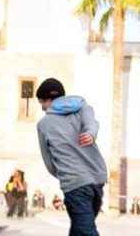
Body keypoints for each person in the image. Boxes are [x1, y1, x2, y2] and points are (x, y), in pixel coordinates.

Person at [36, 78, 108, 235]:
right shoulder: (82, 108)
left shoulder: (43, 124)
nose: (42, 108)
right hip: (97, 178)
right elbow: (93, 124)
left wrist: (66, 175)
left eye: (42, 102)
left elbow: (49, 162)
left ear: (48, 99)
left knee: (85, 230)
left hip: (75, 184)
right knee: (80, 228)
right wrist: (90, 134)